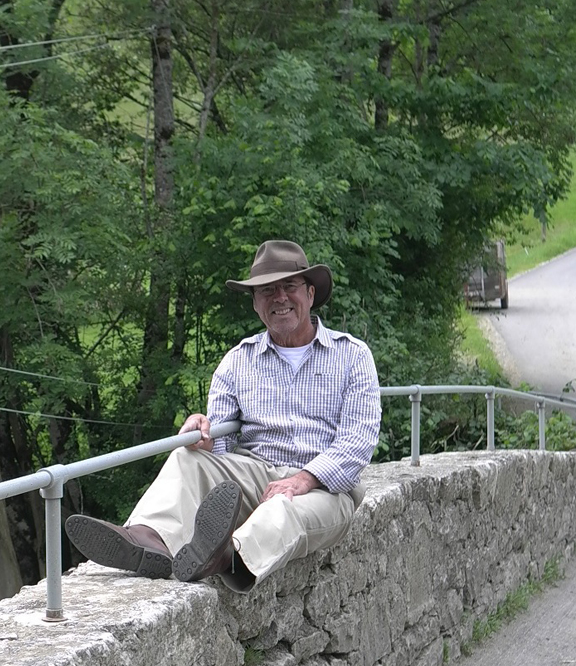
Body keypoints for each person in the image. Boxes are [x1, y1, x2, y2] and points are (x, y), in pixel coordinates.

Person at [66, 240, 382, 592]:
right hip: (256, 474)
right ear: (256, 303)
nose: (279, 297)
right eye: (266, 290)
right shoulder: (237, 361)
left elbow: (358, 441)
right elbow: (221, 452)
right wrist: (204, 435)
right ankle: (150, 539)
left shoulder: (352, 355)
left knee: (283, 510)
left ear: (309, 294)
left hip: (326, 490)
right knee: (187, 458)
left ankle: (228, 556)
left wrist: (303, 480)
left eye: (288, 287)